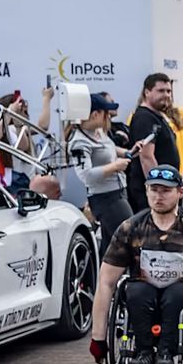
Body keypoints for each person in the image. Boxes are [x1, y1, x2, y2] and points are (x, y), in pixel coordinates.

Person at [89, 165, 183, 364]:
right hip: (143, 287)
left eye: (165, 191)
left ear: (180, 192)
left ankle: (166, 352)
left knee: (175, 295)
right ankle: (143, 352)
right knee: (134, 292)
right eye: (153, 190)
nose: (158, 196)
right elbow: (106, 281)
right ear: (146, 191)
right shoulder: (130, 228)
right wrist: (98, 337)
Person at [69, 92, 134, 256]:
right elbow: (87, 176)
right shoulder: (79, 142)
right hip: (106, 198)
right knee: (130, 239)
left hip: (117, 192)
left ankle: (103, 280)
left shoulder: (97, 132)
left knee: (109, 246)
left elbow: (108, 149)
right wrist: (115, 166)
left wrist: (127, 153)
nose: (109, 118)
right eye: (106, 114)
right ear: (95, 114)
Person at [123, 74, 183, 214]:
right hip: (155, 194)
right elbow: (146, 157)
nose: (166, 95)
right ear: (147, 92)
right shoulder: (144, 118)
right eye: (161, 91)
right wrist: (159, 190)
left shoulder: (156, 117)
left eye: (168, 91)